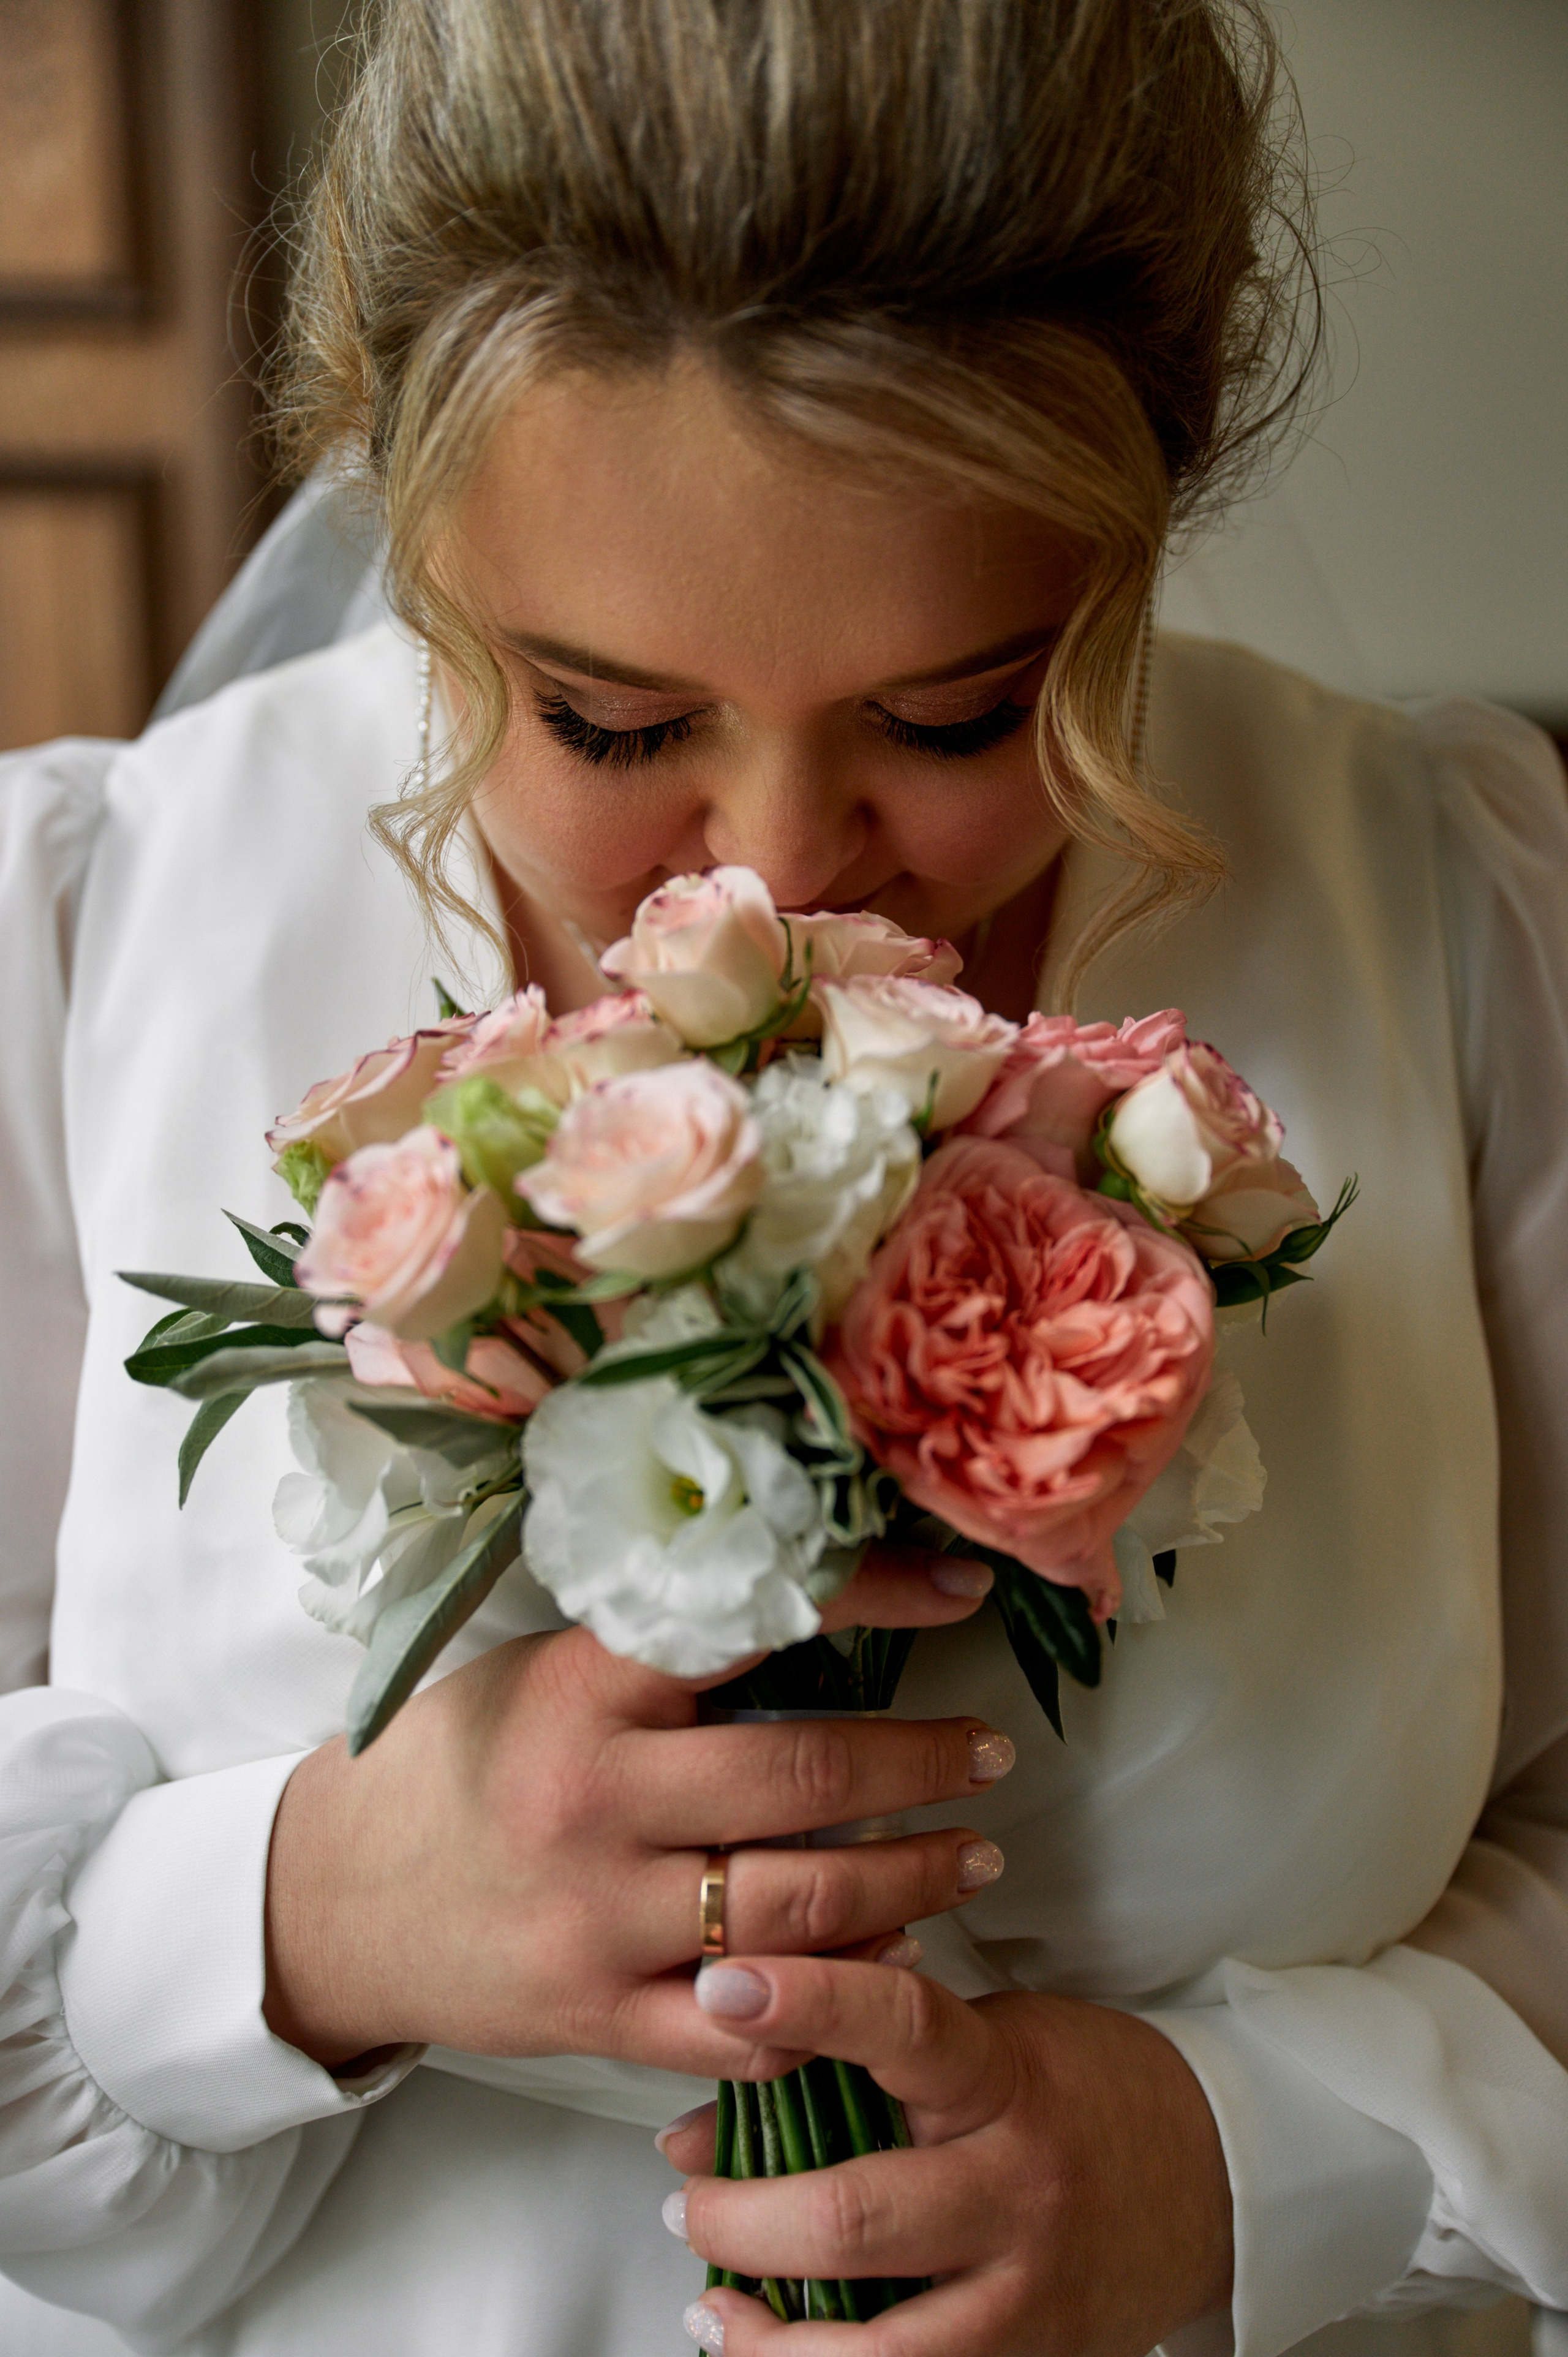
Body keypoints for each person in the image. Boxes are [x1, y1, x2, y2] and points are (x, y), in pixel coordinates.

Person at [1, 3, 1566, 2353]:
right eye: (611, 720)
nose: (769, 864)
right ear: (408, 526)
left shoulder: (1453, 912)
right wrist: (294, 1917)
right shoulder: (91, 929)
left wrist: (1247, 2168)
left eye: (959, 714)